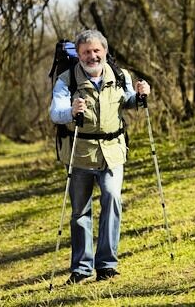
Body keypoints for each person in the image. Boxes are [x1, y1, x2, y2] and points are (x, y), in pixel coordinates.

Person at [49, 29, 150, 284]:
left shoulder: (119, 74)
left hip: (113, 151)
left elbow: (127, 101)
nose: (92, 56)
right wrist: (71, 111)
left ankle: (106, 265)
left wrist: (139, 96)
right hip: (80, 153)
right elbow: (55, 112)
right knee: (80, 212)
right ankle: (82, 269)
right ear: (79, 55)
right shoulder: (66, 79)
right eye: (86, 52)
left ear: (104, 51)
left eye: (96, 51)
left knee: (112, 199)